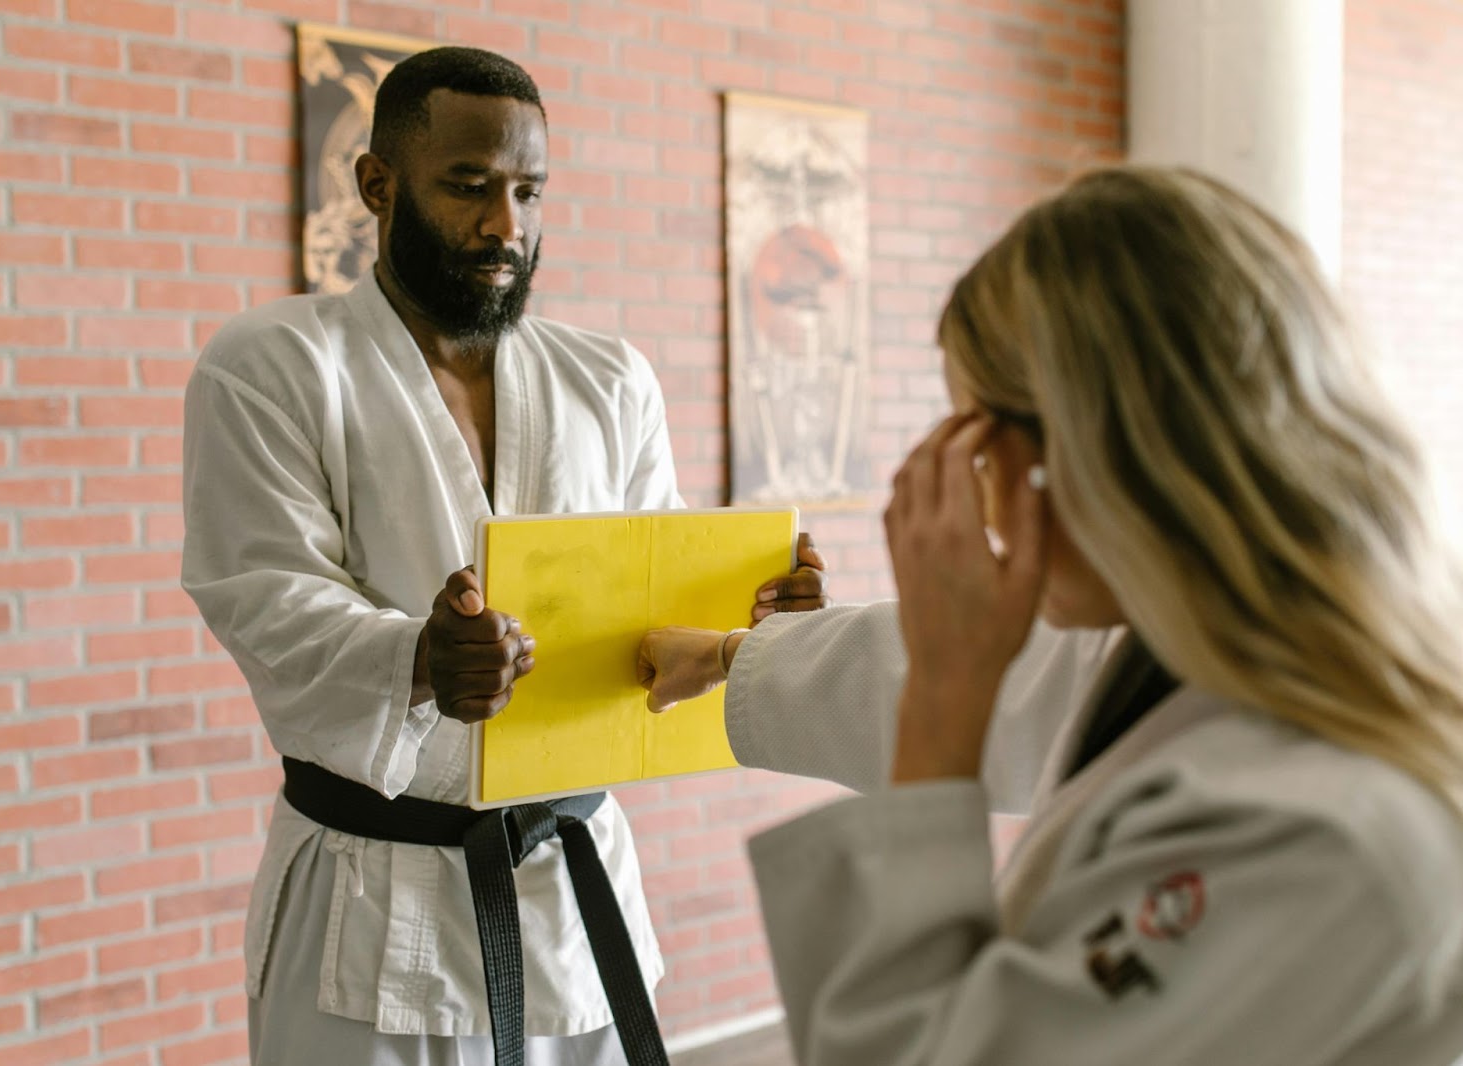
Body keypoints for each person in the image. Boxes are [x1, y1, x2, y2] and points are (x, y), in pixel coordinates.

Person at [638, 166, 1463, 1065]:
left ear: (1087, 446)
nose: (975, 495)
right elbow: (1026, 674)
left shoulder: (1313, 840)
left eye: (974, 442)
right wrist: (730, 655)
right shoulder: (1217, 643)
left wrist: (946, 700)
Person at [181, 47, 828, 1066]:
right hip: (368, 896)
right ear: (376, 185)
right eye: (469, 186)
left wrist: (755, 625)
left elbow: (645, 610)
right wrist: (418, 659)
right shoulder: (274, 363)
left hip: (568, 886)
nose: (506, 225)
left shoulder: (609, 378)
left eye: (528, 190)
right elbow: (261, 590)